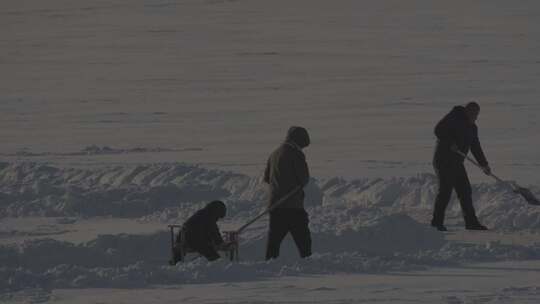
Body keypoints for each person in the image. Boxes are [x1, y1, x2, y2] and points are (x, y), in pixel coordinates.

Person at [431, 101, 491, 231]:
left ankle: (471, 223)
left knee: (465, 191)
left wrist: (484, 164)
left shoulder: (473, 127)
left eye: (477, 114)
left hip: (457, 162)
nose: (475, 117)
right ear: (466, 111)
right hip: (443, 160)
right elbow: (438, 130)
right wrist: (450, 142)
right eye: (473, 113)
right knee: (445, 191)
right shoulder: (454, 118)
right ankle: (436, 223)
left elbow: (475, 147)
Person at [263, 126, 312, 260]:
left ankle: (269, 264)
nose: (302, 149)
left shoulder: (274, 153)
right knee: (304, 240)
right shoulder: (296, 154)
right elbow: (304, 179)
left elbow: (267, 178)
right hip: (293, 206)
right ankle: (308, 262)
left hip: (275, 205)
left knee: (274, 241)